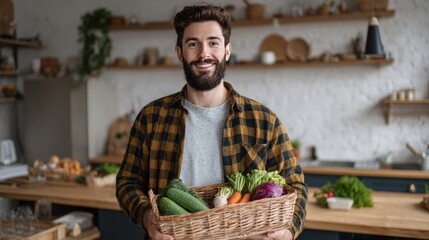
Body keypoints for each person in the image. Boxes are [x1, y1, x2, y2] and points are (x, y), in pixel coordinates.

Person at [116, 3, 307, 240]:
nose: (203, 53)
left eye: (213, 43)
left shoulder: (263, 120)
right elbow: (128, 182)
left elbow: (295, 186)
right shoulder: (151, 117)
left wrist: (287, 232)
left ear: (227, 51)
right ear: (180, 53)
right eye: (193, 43)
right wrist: (147, 217)